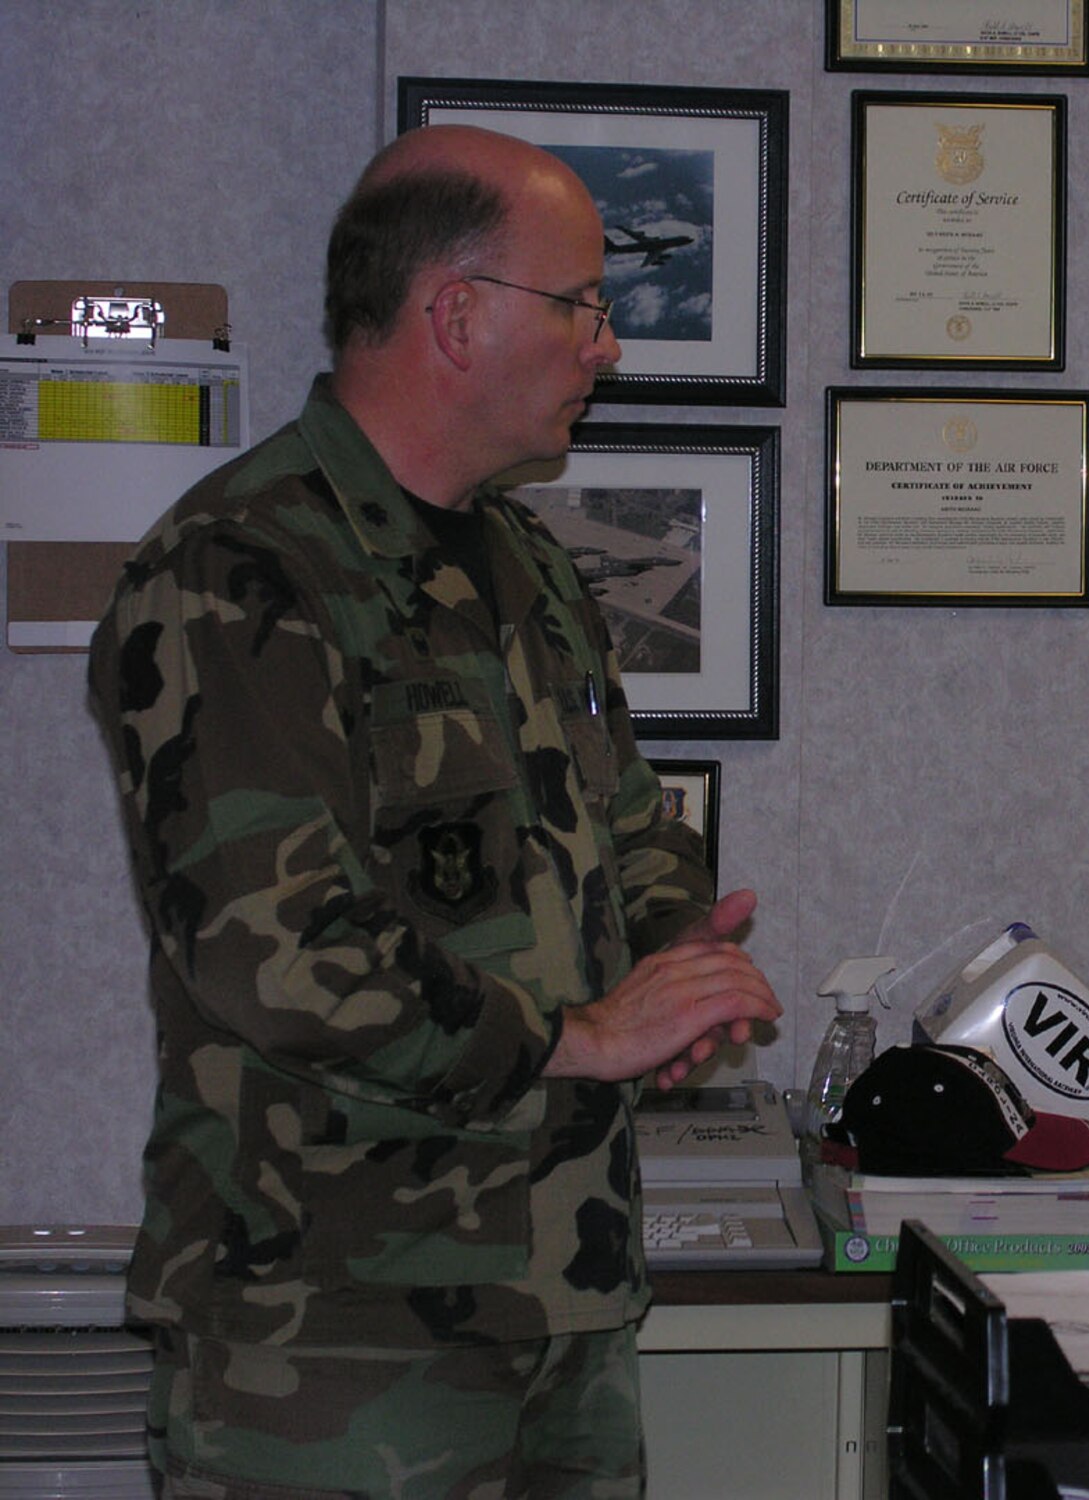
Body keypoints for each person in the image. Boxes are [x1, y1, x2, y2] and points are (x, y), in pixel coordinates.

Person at [87, 125, 782, 1499]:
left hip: (561, 1301)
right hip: (334, 1345)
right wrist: (582, 1037)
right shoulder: (240, 571)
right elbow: (277, 949)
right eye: (582, 303)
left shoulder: (529, 565)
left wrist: (676, 958)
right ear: (455, 314)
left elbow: (628, 820)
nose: (607, 344)